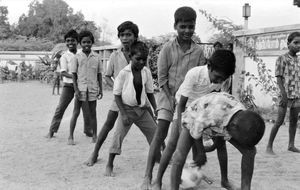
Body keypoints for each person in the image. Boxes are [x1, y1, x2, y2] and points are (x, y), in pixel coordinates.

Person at [141, 6, 207, 189]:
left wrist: (190, 103)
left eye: (191, 26)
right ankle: (149, 176)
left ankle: (187, 174)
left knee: (191, 136)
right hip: (167, 97)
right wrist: (171, 99)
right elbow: (161, 79)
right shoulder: (167, 49)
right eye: (183, 26)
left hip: (189, 101)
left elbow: (201, 78)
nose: (187, 30)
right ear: (175, 26)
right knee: (160, 133)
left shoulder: (199, 51)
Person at [152, 49, 236, 190]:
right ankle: (158, 180)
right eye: (218, 77)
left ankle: (224, 180)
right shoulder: (195, 74)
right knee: (174, 145)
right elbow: (182, 105)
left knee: (220, 144)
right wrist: (180, 128)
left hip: (204, 112)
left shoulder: (222, 79)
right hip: (185, 110)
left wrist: (217, 135)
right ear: (209, 66)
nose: (220, 81)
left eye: (223, 79)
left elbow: (217, 103)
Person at [170, 92, 265, 190]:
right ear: (233, 127)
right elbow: (197, 127)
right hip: (194, 116)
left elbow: (224, 135)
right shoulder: (215, 115)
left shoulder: (242, 117)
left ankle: (242, 186)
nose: (242, 144)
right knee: (179, 156)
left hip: (220, 120)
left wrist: (214, 145)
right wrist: (201, 152)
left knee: (249, 151)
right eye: (242, 140)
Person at [84, 21, 139, 166]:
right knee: (108, 125)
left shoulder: (139, 54)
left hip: (138, 98)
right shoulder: (115, 55)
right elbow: (107, 76)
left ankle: (160, 153)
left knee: (151, 125)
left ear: (135, 36)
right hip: (119, 99)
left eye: (129, 35)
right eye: (122, 35)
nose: (125, 38)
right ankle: (94, 154)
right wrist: (118, 89)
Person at [104, 41, 158, 177]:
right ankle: (109, 164)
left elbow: (150, 92)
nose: (141, 62)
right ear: (130, 56)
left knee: (156, 134)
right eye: (137, 59)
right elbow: (116, 95)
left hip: (142, 110)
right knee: (118, 137)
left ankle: (158, 157)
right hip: (126, 109)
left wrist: (156, 108)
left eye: (143, 60)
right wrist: (123, 114)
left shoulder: (146, 72)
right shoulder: (123, 73)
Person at [46, 29, 92, 139]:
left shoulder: (82, 54)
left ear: (77, 42)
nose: (70, 43)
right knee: (60, 108)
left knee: (86, 109)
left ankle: (88, 130)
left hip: (82, 86)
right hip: (68, 86)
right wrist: (76, 77)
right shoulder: (64, 56)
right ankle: (52, 130)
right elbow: (64, 73)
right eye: (68, 41)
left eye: (73, 40)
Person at [266, 31, 300, 155]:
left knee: (294, 121)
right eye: (295, 42)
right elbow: (279, 78)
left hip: (296, 95)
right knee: (279, 121)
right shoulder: (282, 58)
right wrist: (283, 95)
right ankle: (269, 146)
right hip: (285, 95)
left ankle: (291, 145)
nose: (298, 45)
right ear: (288, 44)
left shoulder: (298, 59)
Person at [68, 30, 103, 145]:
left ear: (92, 42)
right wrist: (76, 90)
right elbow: (73, 74)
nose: (86, 44)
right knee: (76, 112)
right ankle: (70, 136)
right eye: (84, 42)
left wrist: (101, 89)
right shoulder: (76, 57)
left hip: (92, 89)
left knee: (93, 113)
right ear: (80, 43)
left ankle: (95, 136)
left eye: (89, 42)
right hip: (80, 89)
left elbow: (99, 74)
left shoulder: (97, 57)